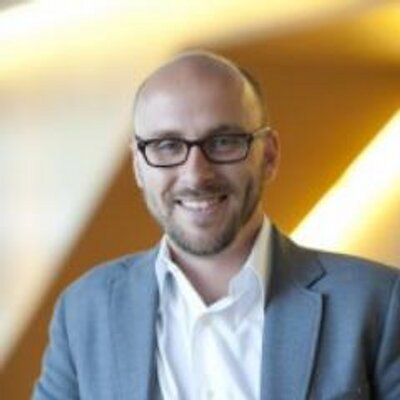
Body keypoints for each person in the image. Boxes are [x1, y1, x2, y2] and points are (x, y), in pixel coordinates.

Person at [33, 51, 400, 400]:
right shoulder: (83, 310)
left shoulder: (378, 302)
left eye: (223, 142)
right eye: (167, 145)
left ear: (269, 155)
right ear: (138, 166)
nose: (196, 174)